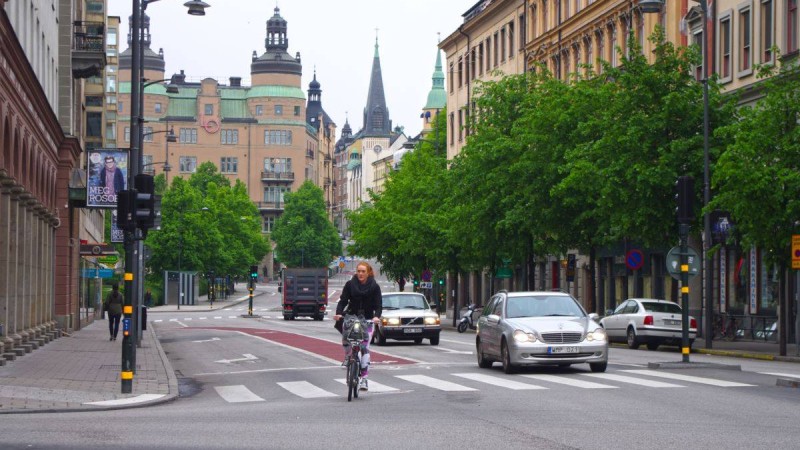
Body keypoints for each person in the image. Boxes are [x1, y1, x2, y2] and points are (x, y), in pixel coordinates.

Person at [334, 261, 382, 391]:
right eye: (358, 271)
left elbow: (378, 306)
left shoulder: (374, 287)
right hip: (351, 317)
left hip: (367, 319)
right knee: (346, 339)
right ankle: (348, 356)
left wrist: (376, 317)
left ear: (368, 273)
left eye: (363, 271)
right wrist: (338, 313)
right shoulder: (350, 285)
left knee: (364, 348)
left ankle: (364, 379)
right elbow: (343, 300)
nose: (360, 274)